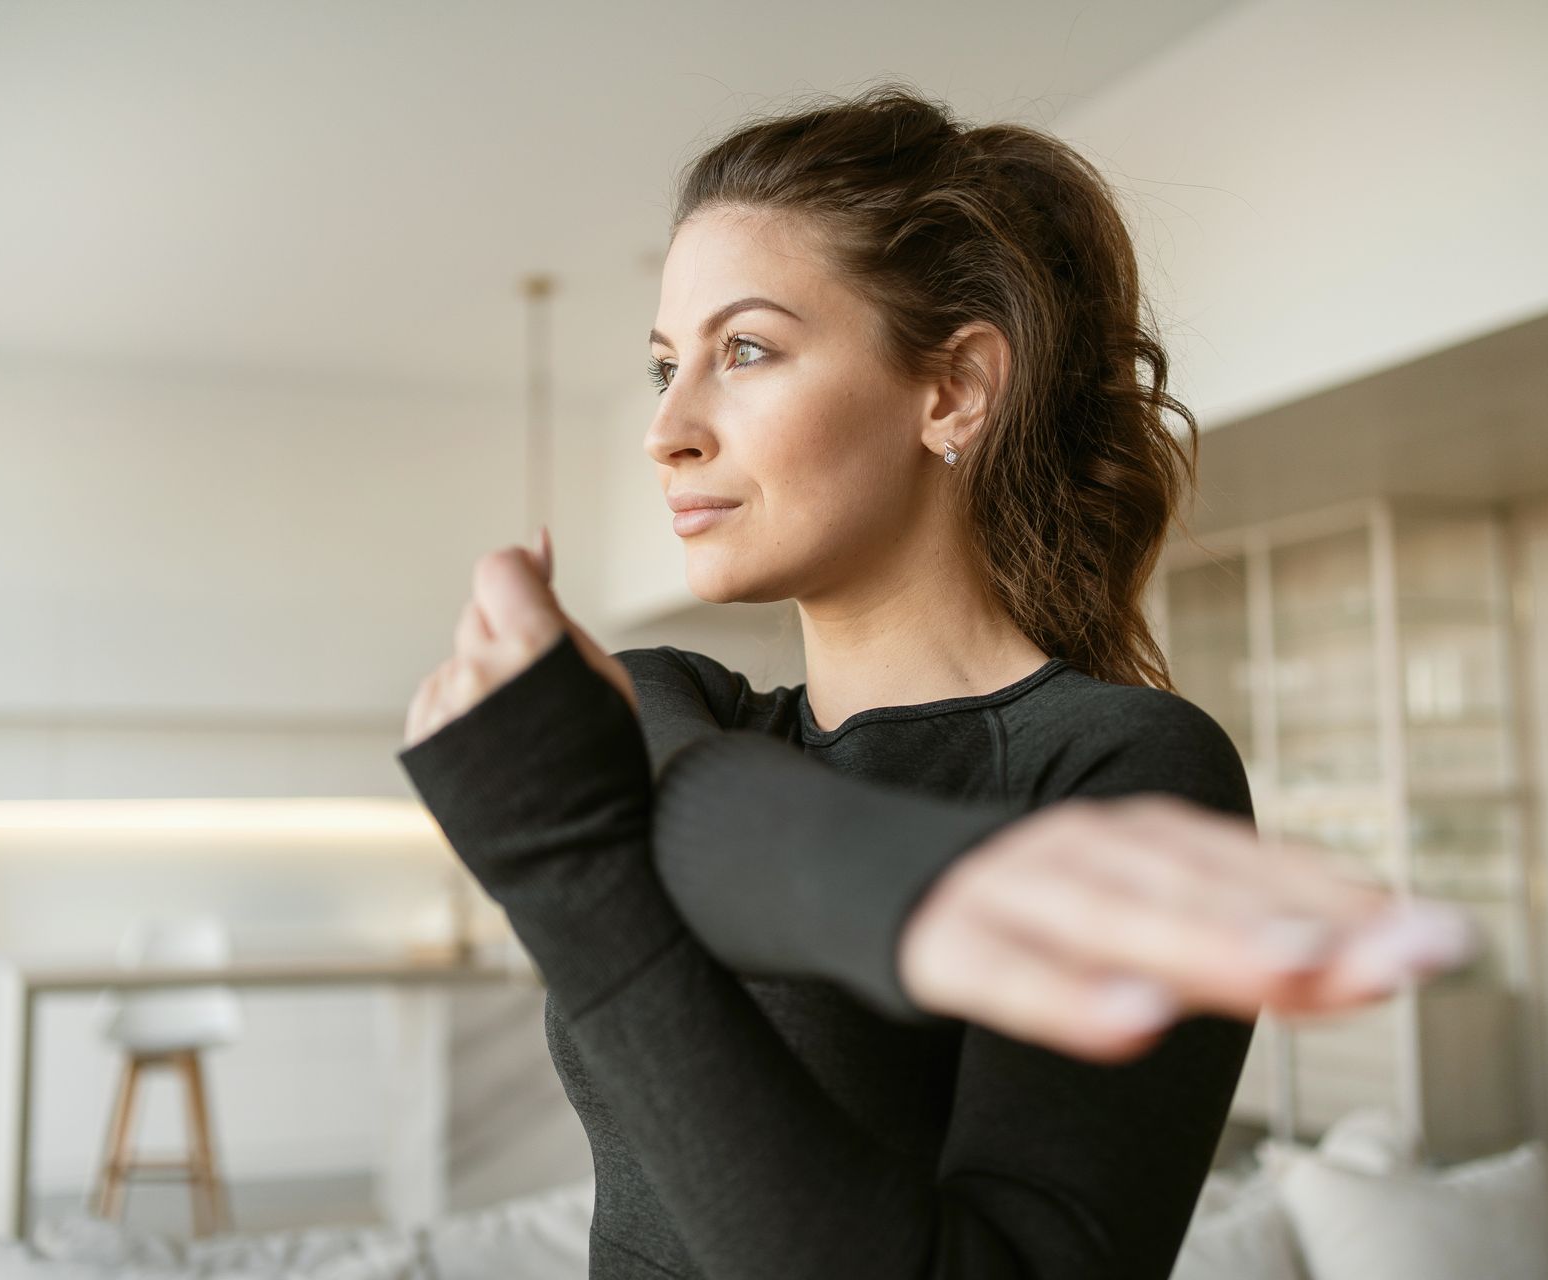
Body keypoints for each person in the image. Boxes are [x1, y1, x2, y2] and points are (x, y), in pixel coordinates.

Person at [397, 82, 1478, 1278]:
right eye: (667, 366)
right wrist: (915, 889)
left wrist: (572, 873)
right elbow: (693, 822)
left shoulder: (1121, 766)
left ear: (953, 388)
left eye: (744, 347)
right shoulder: (673, 704)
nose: (669, 429)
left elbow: (614, 864)